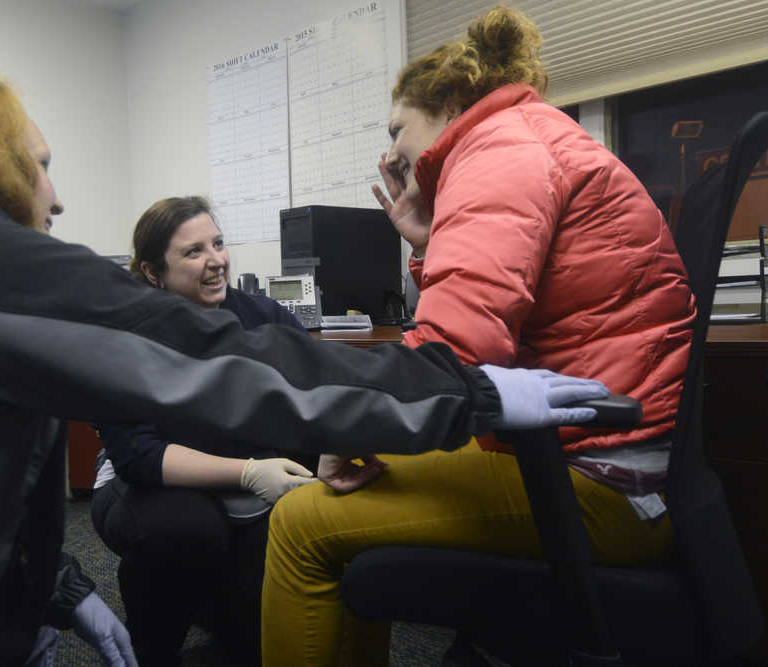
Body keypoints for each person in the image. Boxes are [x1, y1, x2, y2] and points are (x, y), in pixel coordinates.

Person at [0, 65, 609, 667]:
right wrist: (459, 393)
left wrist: (62, 590)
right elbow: (208, 360)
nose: (56, 194)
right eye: (37, 163)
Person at [260, 6, 696, 666]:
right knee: (347, 491)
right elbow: (492, 318)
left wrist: (346, 430)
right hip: (602, 457)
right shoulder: (526, 140)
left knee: (299, 523)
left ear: (452, 101)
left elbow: (451, 359)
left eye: (396, 129)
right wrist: (430, 241)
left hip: (602, 482)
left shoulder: (496, 151)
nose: (391, 153)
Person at [90, 196, 314, 666]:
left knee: (253, 643)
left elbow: (319, 388)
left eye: (218, 244)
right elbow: (141, 456)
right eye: (193, 252)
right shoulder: (124, 335)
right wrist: (250, 472)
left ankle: (219, 615)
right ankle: (149, 648)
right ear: (153, 272)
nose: (216, 261)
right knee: (186, 530)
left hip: (245, 476)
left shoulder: (262, 318)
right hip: (149, 484)